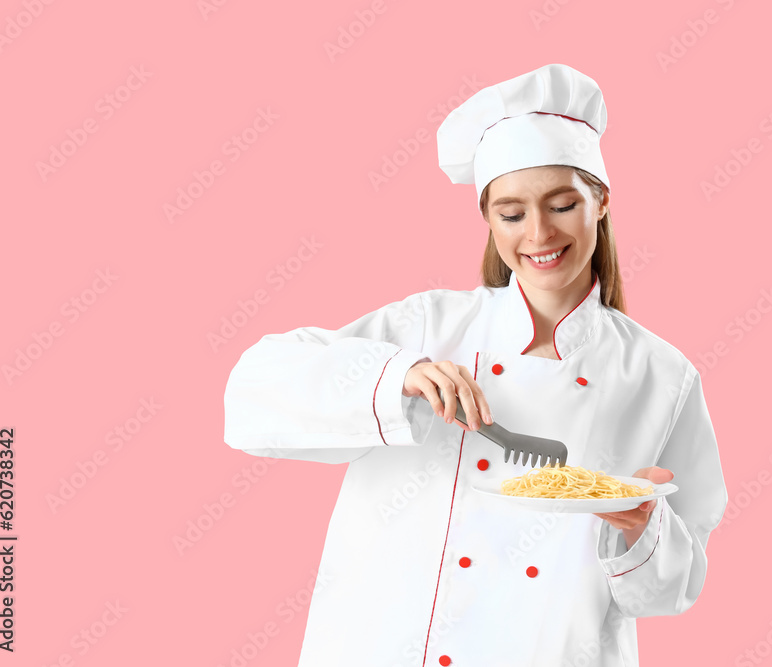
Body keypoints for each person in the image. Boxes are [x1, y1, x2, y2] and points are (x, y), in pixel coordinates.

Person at [223, 63, 728, 667]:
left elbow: (674, 588)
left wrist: (642, 525)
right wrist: (394, 377)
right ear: (489, 221)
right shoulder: (428, 326)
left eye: (563, 204)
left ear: (600, 201)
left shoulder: (661, 375)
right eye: (511, 214)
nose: (538, 233)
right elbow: (251, 395)